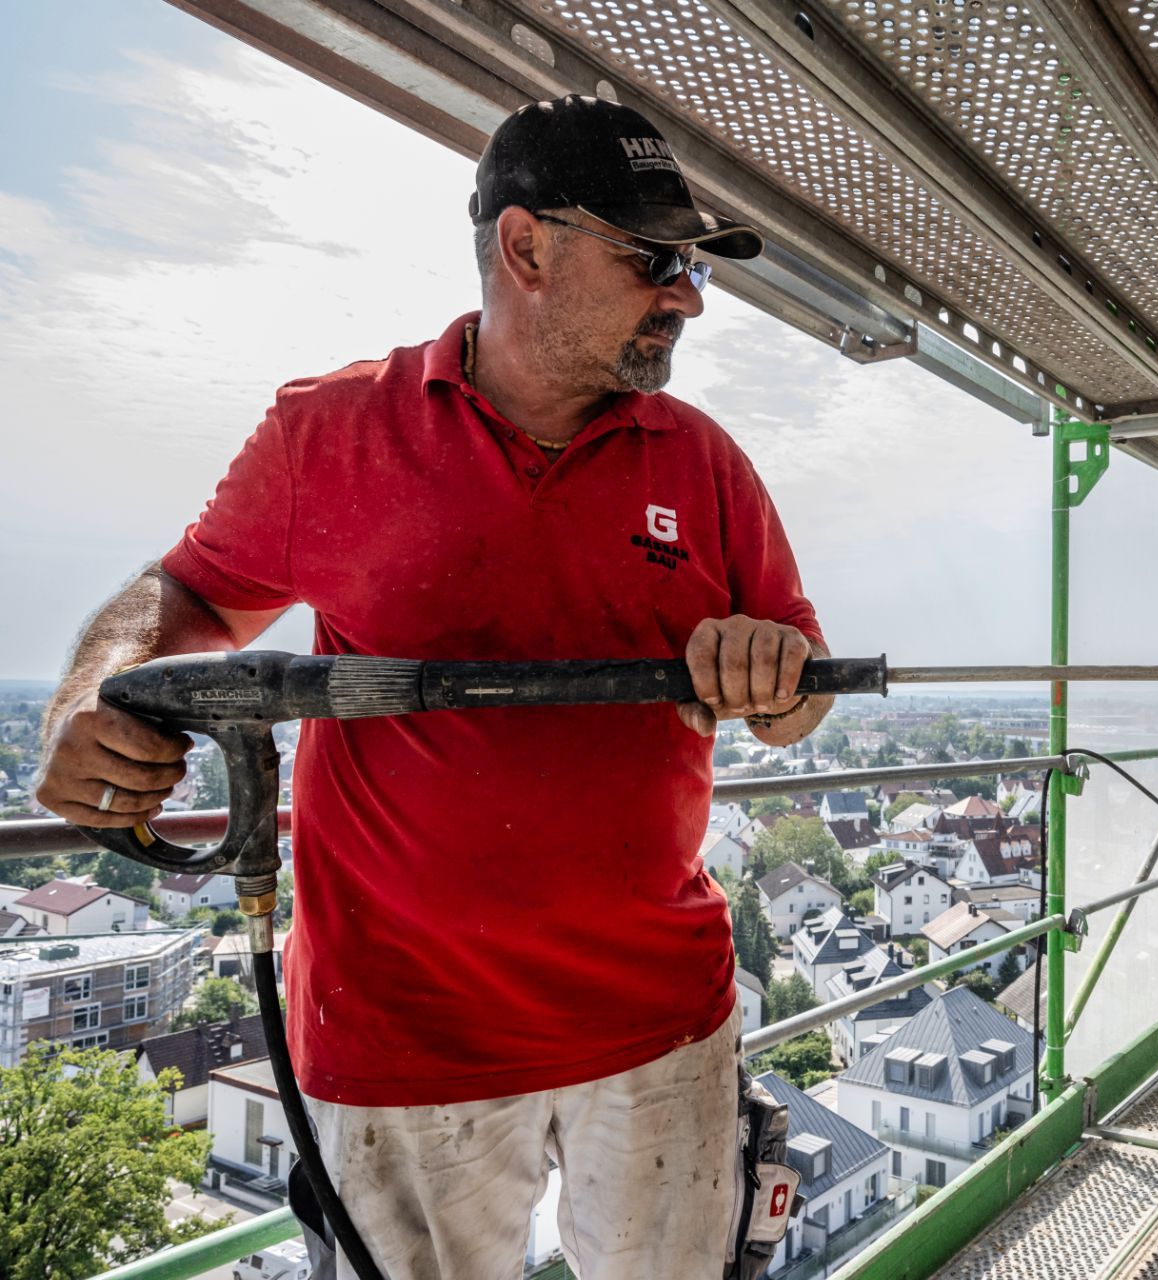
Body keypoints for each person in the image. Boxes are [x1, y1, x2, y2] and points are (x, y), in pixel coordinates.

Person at [33, 96, 829, 1279]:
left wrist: (776, 680)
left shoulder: (705, 463)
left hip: (663, 1024)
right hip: (401, 1038)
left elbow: (800, 687)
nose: (688, 296)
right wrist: (92, 691)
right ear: (526, 248)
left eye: (693, 267)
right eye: (655, 259)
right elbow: (189, 593)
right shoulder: (332, 433)